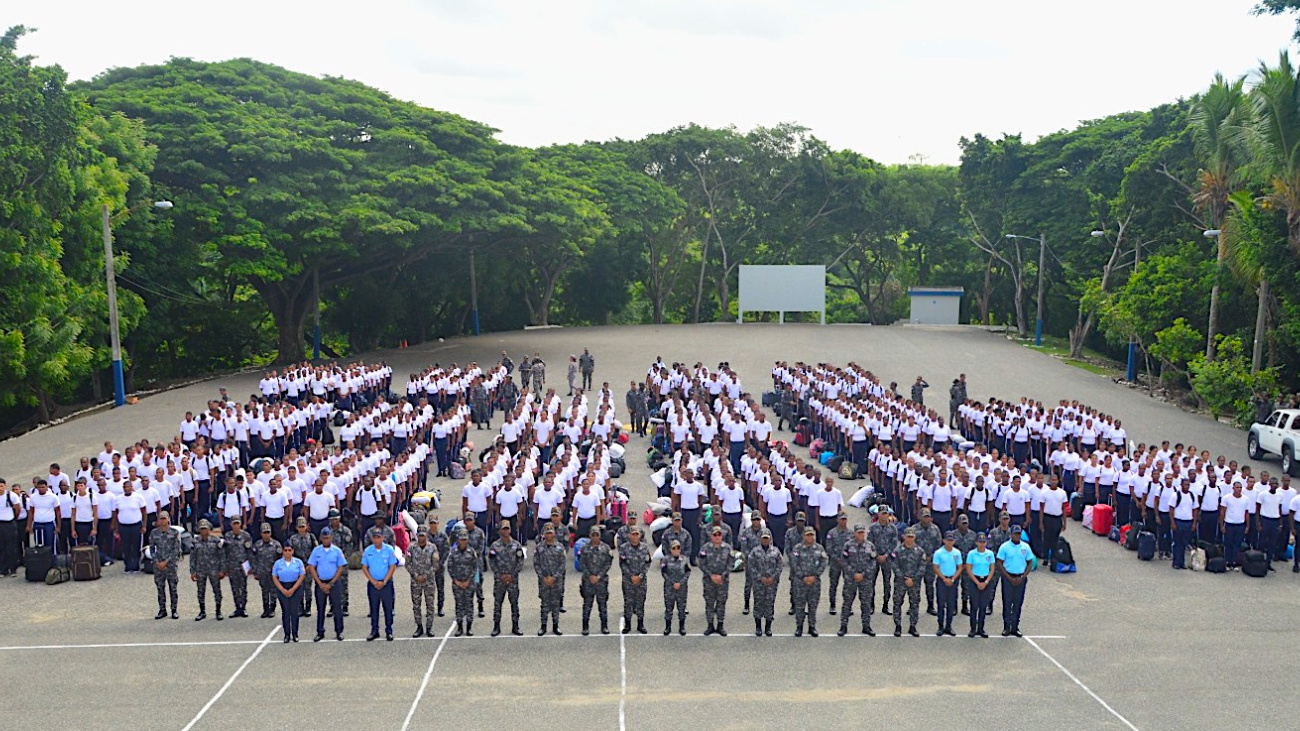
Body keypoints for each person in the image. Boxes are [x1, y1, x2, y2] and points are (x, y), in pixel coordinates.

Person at [838, 523, 878, 637]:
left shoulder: (870, 546)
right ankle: (843, 626)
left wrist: (864, 574)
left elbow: (873, 562)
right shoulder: (848, 546)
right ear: (854, 533)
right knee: (847, 603)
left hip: (865, 579)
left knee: (865, 603)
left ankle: (866, 626)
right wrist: (854, 573)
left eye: (862, 532)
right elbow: (844, 562)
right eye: (859, 532)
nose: (861, 534)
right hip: (851, 579)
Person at [308, 527, 348, 641]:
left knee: (337, 608)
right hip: (320, 583)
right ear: (321, 538)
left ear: (331, 537)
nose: (326, 540)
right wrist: (320, 583)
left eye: (328, 538)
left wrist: (331, 583)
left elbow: (340, 568)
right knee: (320, 609)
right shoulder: (316, 551)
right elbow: (312, 567)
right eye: (324, 538)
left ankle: (339, 631)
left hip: (334, 583)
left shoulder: (337, 551)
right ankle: (320, 632)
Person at [488, 521, 525, 637]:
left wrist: (512, 575)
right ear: (499, 530)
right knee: (498, 603)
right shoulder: (494, 546)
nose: (505, 531)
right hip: (499, 580)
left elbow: (520, 562)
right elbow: (492, 562)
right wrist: (500, 575)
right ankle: (496, 627)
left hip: (512, 579)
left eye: (507, 528)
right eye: (503, 529)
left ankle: (515, 626)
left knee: (514, 603)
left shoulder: (516, 545)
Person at [361, 529, 399, 641]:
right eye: (375, 537)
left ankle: (389, 631)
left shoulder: (388, 550)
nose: (377, 540)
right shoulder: (368, 551)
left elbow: (392, 567)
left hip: (386, 583)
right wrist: (373, 582)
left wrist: (384, 582)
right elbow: (364, 567)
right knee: (374, 608)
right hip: (373, 584)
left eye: (379, 537)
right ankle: (374, 631)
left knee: (388, 608)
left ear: (383, 538)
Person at [995, 525, 1033, 637]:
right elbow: (1000, 562)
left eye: (1019, 533)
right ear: (1011, 534)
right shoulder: (1005, 547)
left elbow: (1030, 562)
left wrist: (1024, 576)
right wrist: (1008, 577)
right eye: (1015, 533)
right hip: (1008, 578)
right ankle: (1006, 627)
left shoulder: (1025, 547)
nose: (1017, 536)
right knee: (1007, 602)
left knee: (1018, 603)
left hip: (1021, 577)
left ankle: (1015, 627)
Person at [790, 526, 828, 637]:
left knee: (813, 606)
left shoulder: (819, 548)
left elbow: (824, 562)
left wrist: (815, 575)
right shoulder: (797, 548)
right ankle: (799, 627)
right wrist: (803, 577)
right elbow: (794, 563)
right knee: (800, 606)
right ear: (803, 536)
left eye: (812, 535)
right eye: (808, 535)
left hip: (814, 582)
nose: (810, 537)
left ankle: (812, 627)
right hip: (800, 582)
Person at [892, 527, 927, 637]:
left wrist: (914, 579)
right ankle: (898, 626)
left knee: (914, 604)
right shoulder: (897, 550)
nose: (910, 539)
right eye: (908, 536)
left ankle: (913, 626)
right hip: (900, 582)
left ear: (915, 537)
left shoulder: (920, 551)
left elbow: (922, 566)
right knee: (897, 603)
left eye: (912, 537)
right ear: (903, 537)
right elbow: (894, 566)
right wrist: (904, 578)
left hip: (914, 583)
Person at [746, 529, 782, 636]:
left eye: (767, 538)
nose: (765, 540)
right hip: (758, 583)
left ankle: (768, 627)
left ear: (770, 538)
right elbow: (751, 566)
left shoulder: (775, 551)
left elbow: (779, 566)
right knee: (758, 603)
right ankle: (758, 627)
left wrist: (773, 577)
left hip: (772, 583)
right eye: (763, 538)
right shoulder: (754, 551)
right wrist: (759, 577)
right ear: (760, 539)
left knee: (769, 604)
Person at [698, 525, 732, 636]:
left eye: (719, 534)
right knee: (709, 603)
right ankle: (710, 625)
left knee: (721, 603)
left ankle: (720, 625)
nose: (717, 537)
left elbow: (731, 564)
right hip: (709, 581)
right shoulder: (705, 548)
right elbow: (701, 564)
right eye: (715, 535)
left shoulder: (727, 548)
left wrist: (722, 576)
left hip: (723, 581)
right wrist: (711, 575)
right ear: (711, 536)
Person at [579, 526, 613, 635]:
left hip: (601, 581)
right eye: (593, 535)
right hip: (588, 581)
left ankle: (604, 626)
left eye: (597, 535)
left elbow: (608, 564)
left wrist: (598, 576)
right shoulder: (584, 549)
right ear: (590, 536)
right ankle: (585, 626)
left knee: (602, 605)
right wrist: (590, 576)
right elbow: (582, 563)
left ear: (600, 536)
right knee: (587, 605)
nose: (595, 537)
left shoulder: (606, 548)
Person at [407, 526, 441, 638]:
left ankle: (429, 627)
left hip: (429, 581)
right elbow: (408, 564)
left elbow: (435, 564)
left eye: (423, 535)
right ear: (416, 536)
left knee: (430, 605)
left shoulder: (432, 548)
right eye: (419, 535)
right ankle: (419, 627)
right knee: (416, 605)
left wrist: (425, 576)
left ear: (426, 536)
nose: (421, 537)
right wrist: (416, 575)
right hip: (416, 581)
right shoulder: (411, 548)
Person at [148, 511, 182, 620]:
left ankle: (174, 610)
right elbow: (152, 548)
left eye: (164, 518)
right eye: (161, 518)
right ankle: (162, 610)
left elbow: (176, 550)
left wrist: (166, 562)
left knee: (173, 587)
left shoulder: (174, 532)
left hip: (170, 565)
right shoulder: (154, 533)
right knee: (160, 588)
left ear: (168, 519)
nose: (162, 521)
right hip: (158, 565)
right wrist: (157, 561)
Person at [618, 525, 651, 634]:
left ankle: (640, 625)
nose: (635, 536)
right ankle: (627, 625)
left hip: (641, 580)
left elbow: (647, 563)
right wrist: (631, 576)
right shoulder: (623, 548)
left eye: (637, 534)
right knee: (628, 602)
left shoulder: (645, 548)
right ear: (629, 535)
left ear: (640, 535)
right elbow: (622, 565)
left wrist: (640, 576)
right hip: (628, 580)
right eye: (633, 534)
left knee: (640, 602)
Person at [189, 520, 224, 621]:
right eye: (202, 529)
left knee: (217, 590)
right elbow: (192, 558)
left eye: (205, 529)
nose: (204, 531)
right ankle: (202, 611)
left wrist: (222, 570)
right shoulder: (195, 541)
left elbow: (222, 556)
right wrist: (192, 571)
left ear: (209, 529)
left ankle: (218, 611)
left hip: (214, 569)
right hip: (201, 570)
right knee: (200, 591)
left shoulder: (216, 540)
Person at [534, 524, 567, 635]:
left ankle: (555, 626)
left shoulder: (560, 547)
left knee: (555, 604)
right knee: (544, 604)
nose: (549, 534)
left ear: (554, 534)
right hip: (543, 580)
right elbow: (536, 564)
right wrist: (543, 577)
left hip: (556, 581)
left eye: (551, 532)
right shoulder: (539, 548)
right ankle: (543, 626)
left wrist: (554, 577)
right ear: (544, 534)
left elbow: (562, 565)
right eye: (547, 532)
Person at [446, 529, 479, 636]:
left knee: (469, 604)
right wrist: (456, 581)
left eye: (465, 539)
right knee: (459, 605)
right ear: (458, 540)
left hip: (469, 583)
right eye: (461, 539)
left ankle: (469, 627)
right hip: (457, 583)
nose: (463, 541)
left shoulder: (471, 552)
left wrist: (468, 581)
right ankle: (459, 627)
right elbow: (450, 567)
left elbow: (475, 568)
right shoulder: (453, 552)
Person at [272, 542, 306, 643]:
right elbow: (274, 577)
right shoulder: (278, 563)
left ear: (293, 551)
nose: (287, 553)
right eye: (285, 550)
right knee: (285, 612)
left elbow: (302, 576)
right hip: (282, 587)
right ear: (282, 551)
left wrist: (293, 589)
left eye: (289, 550)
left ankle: (295, 634)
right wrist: (282, 589)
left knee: (294, 612)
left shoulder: (298, 562)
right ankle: (287, 634)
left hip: (295, 587)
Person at [965, 533, 996, 638]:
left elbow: (992, 569)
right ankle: (973, 628)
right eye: (980, 542)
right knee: (974, 605)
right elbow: (969, 569)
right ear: (976, 542)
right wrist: (977, 582)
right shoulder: (972, 554)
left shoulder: (990, 554)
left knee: (983, 606)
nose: (982, 544)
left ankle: (981, 628)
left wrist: (986, 582)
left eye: (984, 542)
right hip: (975, 580)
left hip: (986, 580)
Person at [932, 531, 963, 636]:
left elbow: (960, 567)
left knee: (951, 605)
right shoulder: (938, 553)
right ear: (944, 541)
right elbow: (935, 567)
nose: (950, 542)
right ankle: (940, 627)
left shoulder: (957, 553)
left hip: (953, 581)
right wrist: (944, 579)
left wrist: (953, 579)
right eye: (948, 540)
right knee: (941, 605)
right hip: (942, 580)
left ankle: (948, 626)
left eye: (952, 540)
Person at [286, 517, 319, 617]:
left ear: (307, 526)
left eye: (303, 526)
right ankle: (300, 607)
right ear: (296, 527)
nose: (301, 528)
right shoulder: (293, 539)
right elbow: (289, 552)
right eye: (299, 526)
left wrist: (310, 565)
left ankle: (308, 607)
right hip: (297, 566)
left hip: (308, 565)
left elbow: (316, 552)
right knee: (298, 587)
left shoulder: (311, 537)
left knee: (308, 587)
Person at [912, 509, 942, 616]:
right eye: (924, 516)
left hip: (930, 562)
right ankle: (913, 606)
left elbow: (938, 546)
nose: (926, 519)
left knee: (930, 585)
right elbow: (910, 544)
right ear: (919, 517)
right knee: (915, 586)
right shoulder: (914, 529)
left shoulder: (935, 529)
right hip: (917, 562)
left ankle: (930, 606)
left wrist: (931, 557)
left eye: (928, 516)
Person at [222, 517, 253, 618]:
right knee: (234, 588)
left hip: (242, 565)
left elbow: (250, 552)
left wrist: (250, 566)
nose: (236, 526)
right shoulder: (227, 536)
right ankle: (237, 607)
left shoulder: (246, 536)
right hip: (231, 565)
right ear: (231, 525)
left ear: (240, 524)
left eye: (237, 523)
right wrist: (224, 567)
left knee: (243, 587)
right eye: (234, 523)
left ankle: (243, 608)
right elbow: (224, 553)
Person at [250, 523, 282, 619]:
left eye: (268, 532)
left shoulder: (276, 545)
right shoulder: (257, 545)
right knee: (264, 590)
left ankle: (272, 609)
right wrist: (255, 571)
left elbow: (281, 560)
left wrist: (279, 572)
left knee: (273, 591)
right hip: (262, 572)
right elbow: (253, 559)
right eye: (264, 533)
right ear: (261, 533)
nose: (266, 535)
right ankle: (265, 609)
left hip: (273, 573)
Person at [824, 512, 852, 616]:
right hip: (835, 563)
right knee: (833, 585)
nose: (843, 521)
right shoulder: (831, 533)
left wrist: (846, 559)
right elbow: (829, 548)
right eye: (841, 519)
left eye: (845, 519)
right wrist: (837, 559)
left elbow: (852, 547)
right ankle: (832, 605)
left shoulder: (850, 533)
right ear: (837, 520)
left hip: (847, 563)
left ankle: (848, 606)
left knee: (848, 586)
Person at [660, 540, 690, 636]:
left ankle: (682, 627)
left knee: (682, 608)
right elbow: (664, 573)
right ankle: (667, 627)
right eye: (674, 548)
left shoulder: (684, 559)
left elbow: (687, 572)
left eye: (678, 548)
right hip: (670, 588)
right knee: (669, 608)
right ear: (670, 549)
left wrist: (680, 583)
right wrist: (672, 583)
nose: (676, 550)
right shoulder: (665, 560)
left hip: (682, 588)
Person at [738, 512, 764, 616]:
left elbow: (768, 546)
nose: (756, 522)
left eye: (758, 519)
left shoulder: (765, 532)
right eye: (754, 520)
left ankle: (759, 605)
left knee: (761, 585)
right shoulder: (746, 532)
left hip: (762, 562)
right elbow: (744, 547)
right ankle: (746, 605)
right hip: (750, 561)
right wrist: (750, 558)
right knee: (749, 584)